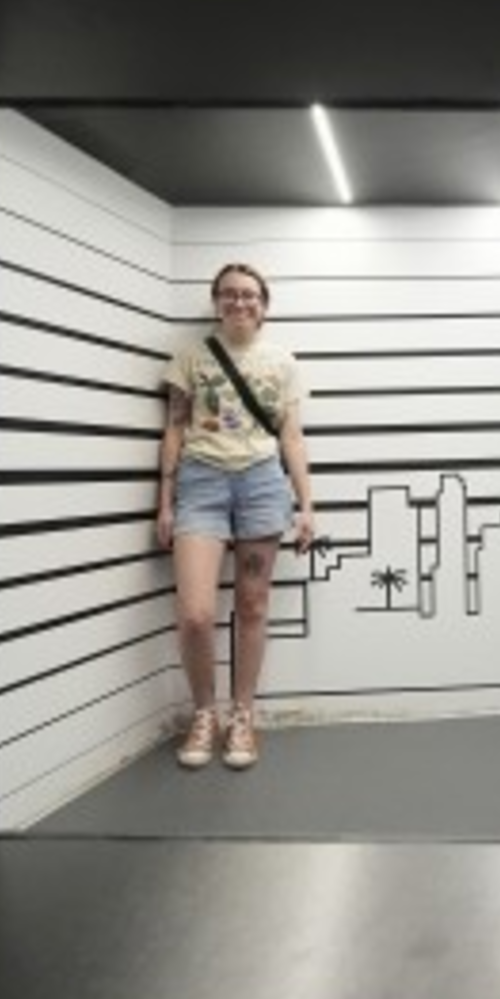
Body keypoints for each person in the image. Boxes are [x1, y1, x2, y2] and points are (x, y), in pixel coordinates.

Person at [156, 263, 316, 771]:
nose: (239, 301)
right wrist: (165, 501)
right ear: (216, 302)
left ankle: (243, 714)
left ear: (263, 306)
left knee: (252, 605)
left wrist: (307, 505)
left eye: (249, 295)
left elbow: (292, 438)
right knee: (196, 614)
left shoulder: (282, 361)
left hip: (262, 484)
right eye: (229, 294)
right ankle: (205, 713)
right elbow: (175, 427)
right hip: (200, 484)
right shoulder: (191, 357)